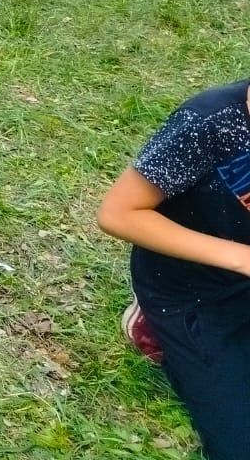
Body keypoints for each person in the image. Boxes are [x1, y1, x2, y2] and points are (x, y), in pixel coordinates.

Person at [97, 78, 250, 460]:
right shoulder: (213, 121)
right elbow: (118, 213)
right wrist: (241, 258)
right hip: (193, 289)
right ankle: (151, 325)